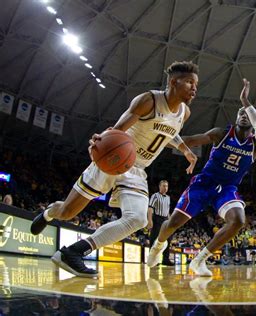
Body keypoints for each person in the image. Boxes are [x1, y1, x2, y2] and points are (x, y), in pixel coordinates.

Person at [30, 61, 199, 277]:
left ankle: (72, 253)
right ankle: (51, 211)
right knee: (67, 213)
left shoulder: (184, 113)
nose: (194, 88)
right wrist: (101, 142)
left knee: (137, 219)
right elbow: (118, 130)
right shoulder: (149, 101)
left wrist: (185, 149)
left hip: (137, 169)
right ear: (174, 82)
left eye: (196, 84)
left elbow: (169, 132)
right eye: (189, 82)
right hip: (114, 159)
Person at [146, 78, 256, 276]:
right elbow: (190, 140)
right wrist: (159, 137)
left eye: (247, 113)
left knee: (237, 220)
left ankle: (199, 260)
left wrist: (245, 100)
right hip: (204, 183)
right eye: (240, 112)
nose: (243, 114)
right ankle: (158, 246)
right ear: (236, 118)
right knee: (174, 223)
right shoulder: (221, 133)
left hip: (227, 189)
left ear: (253, 120)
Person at [147, 180, 173, 266]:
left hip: (166, 219)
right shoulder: (155, 196)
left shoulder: (168, 198)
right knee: (154, 238)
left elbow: (167, 211)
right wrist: (150, 220)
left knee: (167, 240)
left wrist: (170, 221)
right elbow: (150, 208)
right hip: (157, 218)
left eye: (166, 186)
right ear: (159, 186)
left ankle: (165, 259)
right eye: (163, 186)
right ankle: (152, 259)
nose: (165, 188)